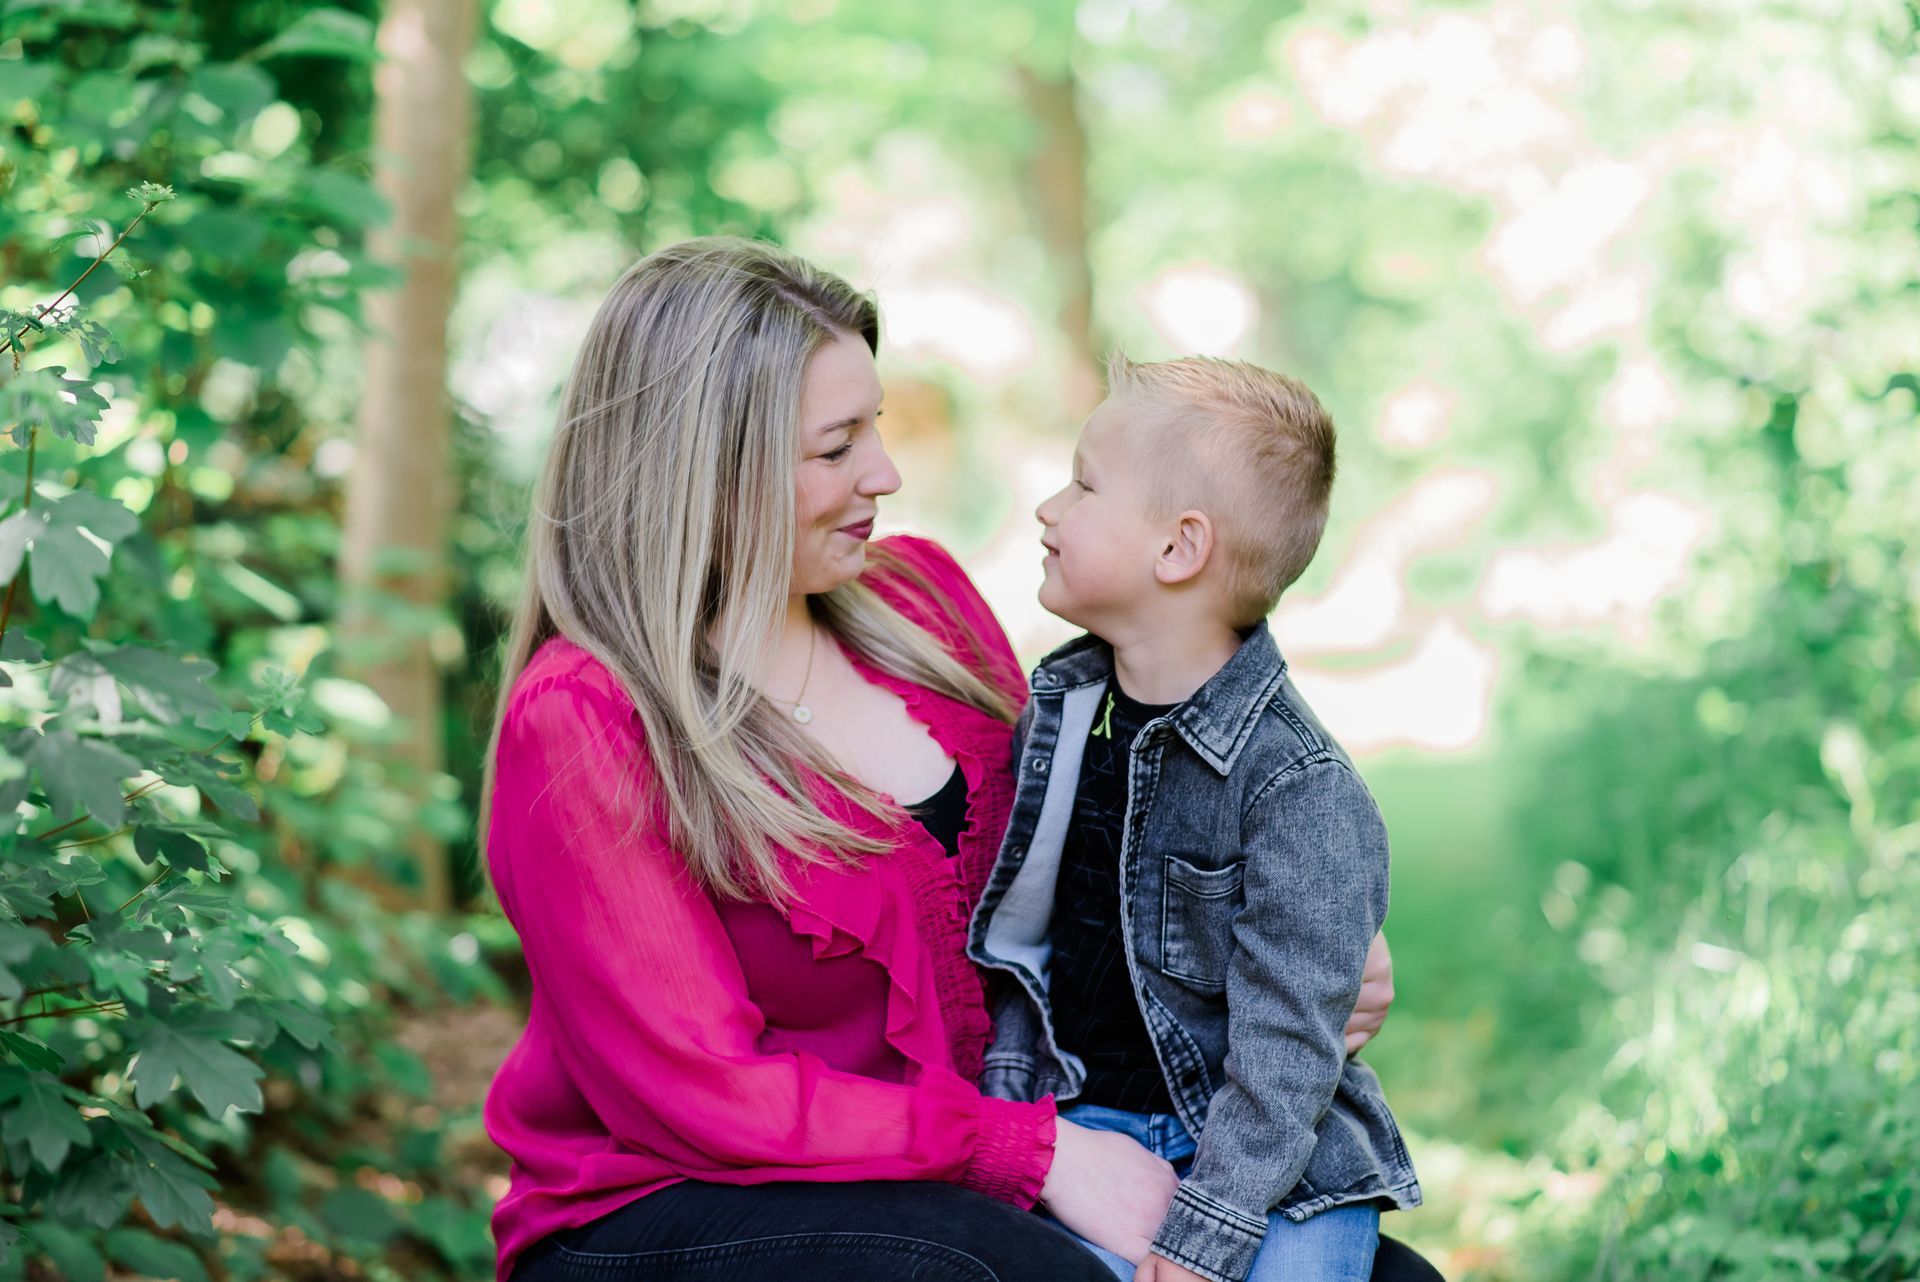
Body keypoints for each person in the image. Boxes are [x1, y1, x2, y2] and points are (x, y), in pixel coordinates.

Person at [479, 237, 1414, 1282]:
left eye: (873, 426)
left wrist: (1284, 960)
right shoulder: (584, 718)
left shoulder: (917, 602)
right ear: (705, 469)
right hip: (679, 1205)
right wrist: (1036, 1152)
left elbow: (1081, 890)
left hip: (978, 1161)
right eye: (836, 447)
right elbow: (705, 1093)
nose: (884, 472)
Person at [970, 354, 1422, 1282]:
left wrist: (1207, 1236)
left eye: (1084, 484)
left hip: (1272, 1158)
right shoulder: (1059, 714)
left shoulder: (1298, 787)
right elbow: (1028, 950)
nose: (1050, 508)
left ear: (1179, 549)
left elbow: (1290, 1051)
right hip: (1086, 1119)